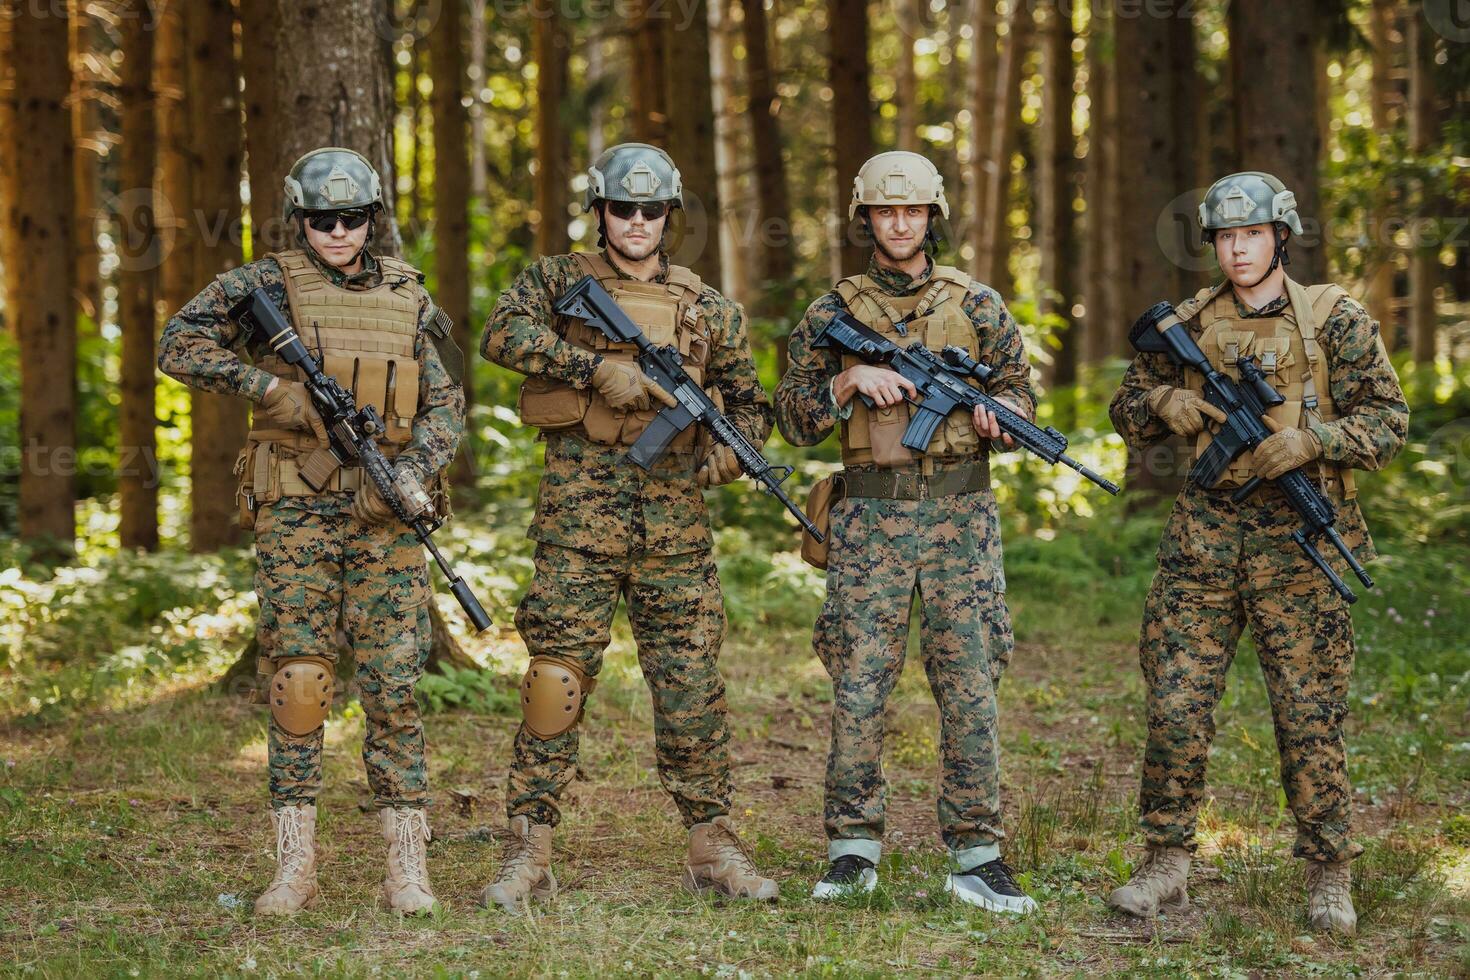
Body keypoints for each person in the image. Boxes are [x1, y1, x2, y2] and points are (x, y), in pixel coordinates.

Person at [158, 146, 465, 916]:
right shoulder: (261, 285)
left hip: (387, 511)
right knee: (298, 683)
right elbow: (178, 343)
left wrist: (416, 474)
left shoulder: (408, 293)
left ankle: (407, 865)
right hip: (296, 507)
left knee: (394, 685)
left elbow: (447, 400)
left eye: (351, 218)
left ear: (372, 219)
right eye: (321, 219)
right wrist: (265, 386)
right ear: (301, 218)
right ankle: (294, 866)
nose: (336, 231)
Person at [1106, 171, 1409, 935]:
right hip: (1204, 539)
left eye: (1252, 234)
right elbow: (1126, 407)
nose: (1238, 249)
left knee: (1309, 716)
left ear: (1281, 235)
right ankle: (1167, 861)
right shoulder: (1189, 322)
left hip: (1301, 544)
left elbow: (1390, 420)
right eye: (1225, 237)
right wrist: (1162, 402)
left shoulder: (1332, 318)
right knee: (1176, 702)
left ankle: (1329, 871)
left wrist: (1316, 439)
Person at [477, 142, 778, 910]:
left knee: (691, 689)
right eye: (622, 208)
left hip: (675, 529)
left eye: (650, 210)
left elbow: (749, 404)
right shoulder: (559, 280)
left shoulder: (707, 305)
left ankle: (712, 845)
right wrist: (592, 369)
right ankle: (529, 849)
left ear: (668, 215)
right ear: (601, 211)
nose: (636, 222)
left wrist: (732, 453)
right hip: (578, 522)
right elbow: (501, 334)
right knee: (555, 682)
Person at [773, 150, 1039, 913]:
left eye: (913, 211)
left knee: (970, 685)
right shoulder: (832, 311)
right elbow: (790, 416)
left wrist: (1005, 416)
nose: (899, 223)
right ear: (866, 218)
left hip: (962, 517)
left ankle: (977, 855)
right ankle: (852, 850)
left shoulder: (978, 303)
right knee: (859, 684)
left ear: (932, 218)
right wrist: (847, 380)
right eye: (886, 212)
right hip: (869, 517)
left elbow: (1019, 389)